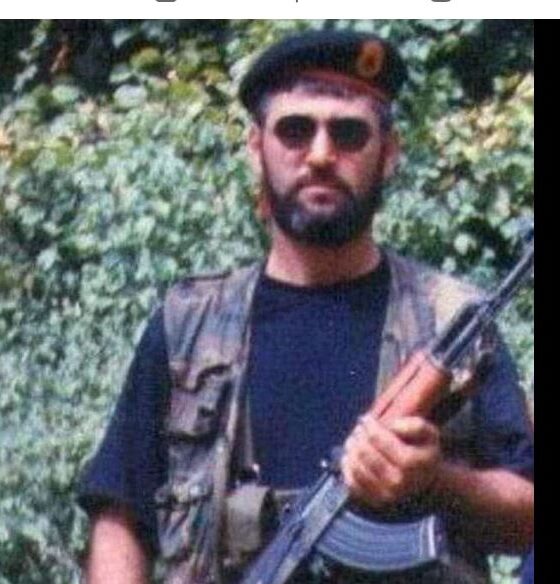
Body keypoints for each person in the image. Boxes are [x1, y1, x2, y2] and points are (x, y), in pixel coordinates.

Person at [79, 30, 534, 584]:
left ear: (389, 153)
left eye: (349, 133)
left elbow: (527, 515)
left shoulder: (452, 322)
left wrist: (438, 480)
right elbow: (120, 518)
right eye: (296, 130)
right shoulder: (188, 324)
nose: (320, 155)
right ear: (256, 148)